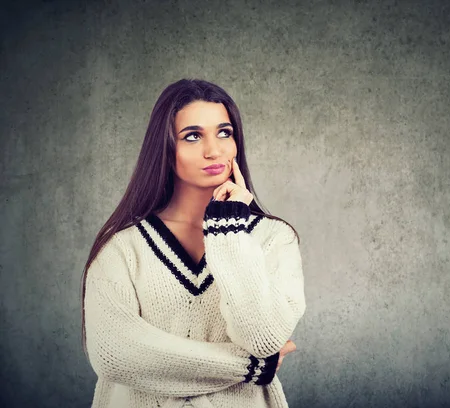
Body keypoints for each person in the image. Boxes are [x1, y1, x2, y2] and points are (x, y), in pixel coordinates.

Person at [80, 79, 307, 408]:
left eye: (224, 133)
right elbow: (115, 355)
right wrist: (253, 367)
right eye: (192, 136)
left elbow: (262, 337)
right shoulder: (121, 249)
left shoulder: (275, 239)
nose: (214, 150)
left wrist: (228, 228)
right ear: (165, 148)